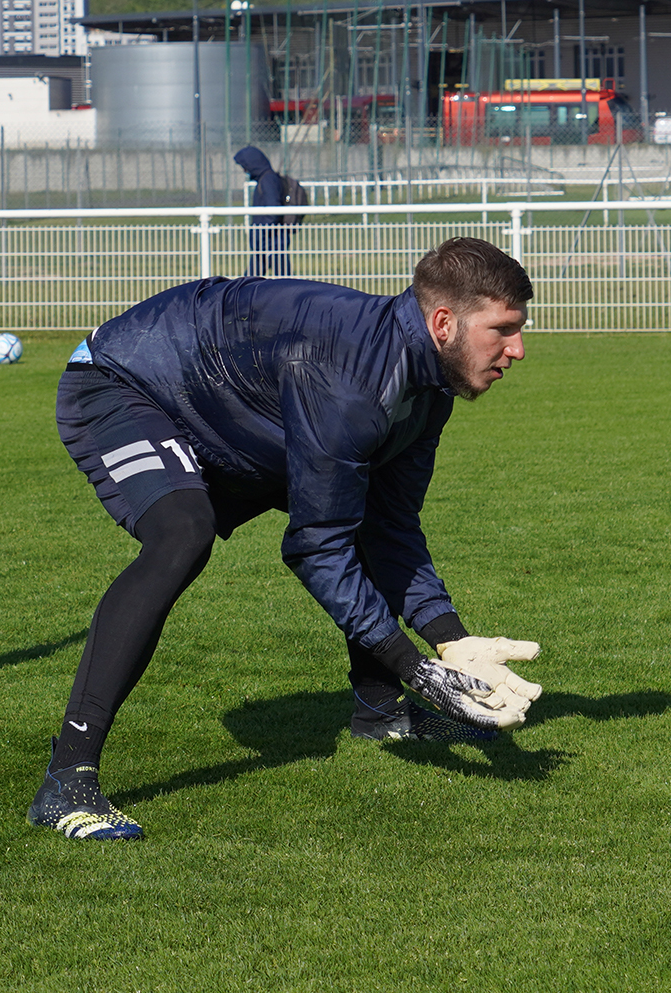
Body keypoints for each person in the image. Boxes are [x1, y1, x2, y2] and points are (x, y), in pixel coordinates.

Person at [29, 237, 543, 841]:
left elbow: (393, 526)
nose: (518, 348)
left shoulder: (429, 389)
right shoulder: (350, 383)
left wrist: (451, 642)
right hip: (125, 381)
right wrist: (417, 667)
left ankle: (381, 713)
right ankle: (67, 777)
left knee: (363, 511)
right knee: (181, 535)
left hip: (229, 410)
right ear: (443, 322)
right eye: (503, 329)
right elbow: (315, 546)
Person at [235, 145, 292, 277]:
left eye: (245, 166)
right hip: (266, 240)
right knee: (251, 279)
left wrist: (262, 232)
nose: (244, 170)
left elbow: (273, 209)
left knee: (284, 281)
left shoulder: (268, 180)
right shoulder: (265, 179)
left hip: (271, 241)